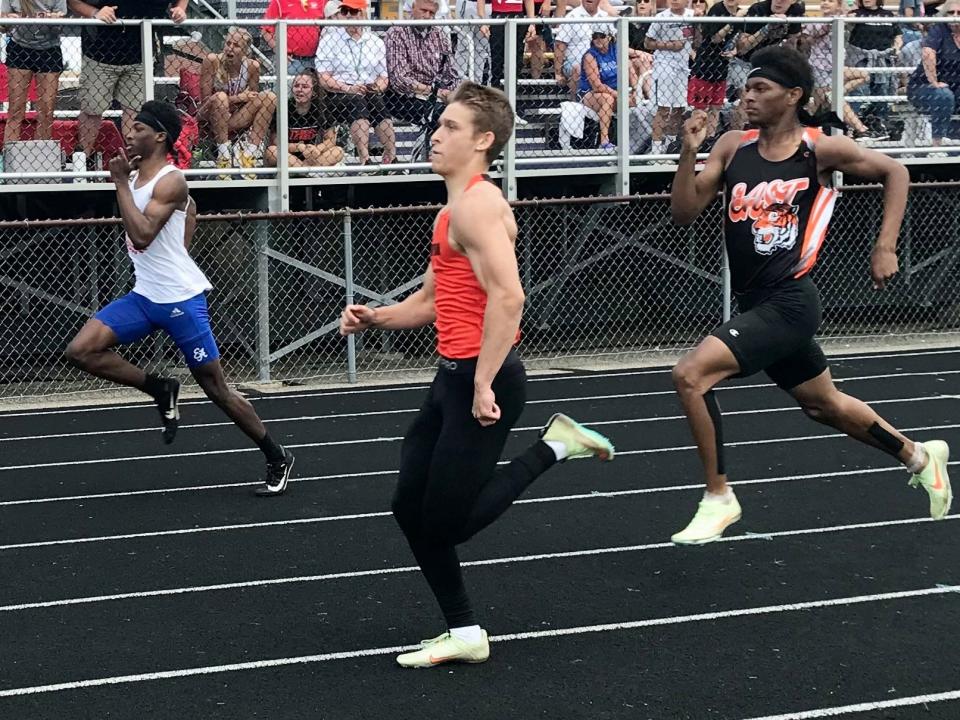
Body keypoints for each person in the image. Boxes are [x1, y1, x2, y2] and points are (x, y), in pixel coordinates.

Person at [339, 81, 615, 668]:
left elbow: (508, 298)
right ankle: (464, 632)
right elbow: (434, 302)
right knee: (408, 507)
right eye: (437, 125)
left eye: (452, 128)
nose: (436, 135)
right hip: (451, 378)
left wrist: (485, 381)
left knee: (443, 525)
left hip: (480, 379)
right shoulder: (450, 213)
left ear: (484, 140)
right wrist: (375, 316)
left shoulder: (479, 205)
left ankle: (554, 447)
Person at [667, 46, 952, 546]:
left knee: (690, 375)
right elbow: (685, 213)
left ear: (793, 96)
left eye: (761, 89)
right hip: (757, 303)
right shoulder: (733, 146)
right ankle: (920, 457)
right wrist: (689, 151)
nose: (747, 96)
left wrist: (885, 245)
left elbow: (896, 172)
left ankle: (719, 496)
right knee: (824, 405)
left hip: (792, 302)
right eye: (747, 87)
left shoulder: (819, 149)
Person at [64, 101, 296, 498]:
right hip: (144, 296)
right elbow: (187, 217)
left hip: (181, 301)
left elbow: (141, 236)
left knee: (215, 388)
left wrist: (119, 183)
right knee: (81, 350)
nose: (129, 132)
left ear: (160, 137)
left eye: (137, 127)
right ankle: (159, 388)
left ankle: (276, 455)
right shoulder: (138, 174)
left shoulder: (170, 181)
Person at [67, 0, 188, 170]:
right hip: (99, 54)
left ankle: (136, 163)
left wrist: (180, 9)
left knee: (135, 112)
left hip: (140, 56)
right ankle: (81, 162)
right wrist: (95, 12)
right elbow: (73, 2)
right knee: (92, 109)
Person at [314, 0, 397, 165]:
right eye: (346, 12)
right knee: (357, 101)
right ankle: (364, 158)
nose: (350, 16)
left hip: (368, 91)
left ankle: (391, 155)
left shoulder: (375, 42)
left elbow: (383, 77)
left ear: (364, 13)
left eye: (355, 11)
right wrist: (347, 88)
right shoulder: (330, 40)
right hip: (338, 93)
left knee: (377, 102)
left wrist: (376, 88)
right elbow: (323, 78)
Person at [198, 27, 278, 176]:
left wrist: (243, 100)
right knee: (221, 97)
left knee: (270, 97)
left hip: (235, 118)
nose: (230, 48)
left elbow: (252, 99)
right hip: (210, 117)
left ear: (245, 51)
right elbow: (205, 101)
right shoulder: (212, 60)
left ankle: (248, 155)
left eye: (236, 45)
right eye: (228, 43)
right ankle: (224, 157)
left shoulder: (252, 67)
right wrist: (237, 98)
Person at [0, 0, 66, 147]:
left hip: (49, 49)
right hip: (19, 48)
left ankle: (41, 156)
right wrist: (8, 20)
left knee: (47, 110)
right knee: (16, 109)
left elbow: (60, 26)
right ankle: (10, 159)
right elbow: (3, 25)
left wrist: (54, 21)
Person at [385, 0, 460, 128]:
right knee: (444, 115)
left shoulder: (439, 34)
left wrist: (450, 91)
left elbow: (451, 72)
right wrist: (435, 92)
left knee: (469, 110)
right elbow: (399, 80)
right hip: (403, 97)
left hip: (437, 92)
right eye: (423, 10)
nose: (426, 15)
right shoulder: (397, 33)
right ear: (413, 8)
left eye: (431, 13)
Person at [265, 69, 344, 168]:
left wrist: (317, 149)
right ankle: (308, 171)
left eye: (305, 86)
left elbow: (331, 140)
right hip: (288, 156)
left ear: (313, 91)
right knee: (272, 151)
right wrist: (298, 147)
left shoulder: (321, 108)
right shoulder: (284, 107)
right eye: (296, 86)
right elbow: (275, 141)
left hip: (312, 156)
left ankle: (304, 171)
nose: (299, 89)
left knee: (338, 151)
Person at [686, 0, 741, 143]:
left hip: (721, 66)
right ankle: (696, 140)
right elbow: (715, 38)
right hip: (705, 66)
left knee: (716, 107)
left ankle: (710, 140)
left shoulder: (741, 13)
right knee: (701, 108)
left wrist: (736, 50)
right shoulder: (717, 9)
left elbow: (740, 37)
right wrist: (733, 21)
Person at [907, 0, 960, 146]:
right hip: (924, 86)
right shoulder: (940, 29)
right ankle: (937, 145)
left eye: (959, 13)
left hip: (955, 86)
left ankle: (954, 143)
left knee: (949, 94)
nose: (955, 16)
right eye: (951, 12)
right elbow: (928, 53)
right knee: (944, 95)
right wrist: (934, 82)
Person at [847, 0, 902, 138]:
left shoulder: (888, 15)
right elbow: (846, 30)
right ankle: (852, 126)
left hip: (883, 59)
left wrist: (897, 47)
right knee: (859, 93)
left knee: (882, 93)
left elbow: (898, 35)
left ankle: (878, 124)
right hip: (861, 58)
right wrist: (849, 19)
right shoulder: (856, 14)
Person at [645, 0, 694, 155]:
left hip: (683, 67)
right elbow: (647, 43)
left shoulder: (692, 16)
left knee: (679, 108)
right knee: (664, 109)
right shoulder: (661, 17)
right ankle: (656, 151)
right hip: (664, 65)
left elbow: (697, 39)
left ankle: (670, 148)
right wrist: (669, 45)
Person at [579, 30, 638, 149]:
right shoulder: (590, 55)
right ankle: (604, 141)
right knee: (608, 99)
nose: (598, 39)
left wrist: (636, 91)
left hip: (617, 91)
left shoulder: (617, 49)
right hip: (591, 93)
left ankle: (634, 141)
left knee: (635, 100)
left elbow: (630, 71)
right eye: (595, 36)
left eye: (602, 36)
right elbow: (596, 86)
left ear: (610, 37)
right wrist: (619, 95)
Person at [552, 0, 610, 98]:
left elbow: (614, 42)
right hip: (574, 62)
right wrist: (557, 73)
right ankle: (576, 103)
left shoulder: (605, 17)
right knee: (579, 68)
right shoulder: (572, 17)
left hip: (601, 60)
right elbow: (559, 45)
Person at [261, 0, 326, 79]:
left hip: (316, 60)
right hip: (291, 61)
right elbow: (266, 31)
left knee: (316, 90)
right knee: (287, 89)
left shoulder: (322, 1)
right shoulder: (279, 2)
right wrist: (280, 52)